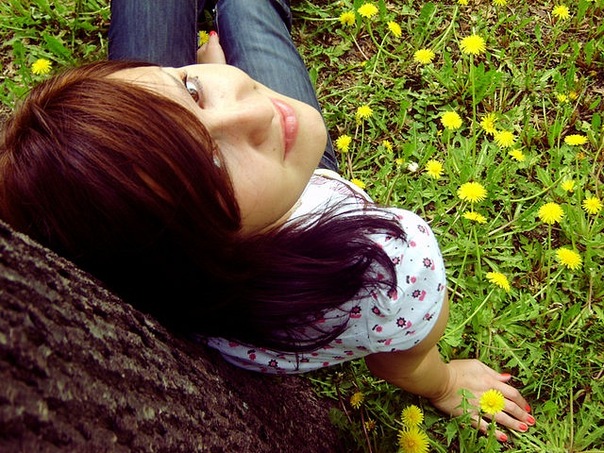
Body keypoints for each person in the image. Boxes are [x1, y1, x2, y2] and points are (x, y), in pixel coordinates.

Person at [0, 0, 534, 442]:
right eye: (212, 169)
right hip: (305, 176)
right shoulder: (386, 266)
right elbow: (402, 360)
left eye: (189, 87)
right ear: (198, 252)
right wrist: (444, 384)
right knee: (250, 10)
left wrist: (199, 91)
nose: (252, 107)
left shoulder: (152, 282)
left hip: (264, 174)